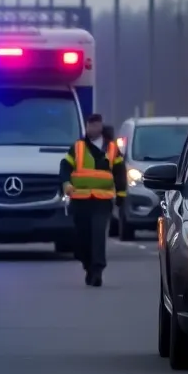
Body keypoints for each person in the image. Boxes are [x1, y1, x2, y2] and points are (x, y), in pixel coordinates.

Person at [60, 114, 127, 286]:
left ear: (101, 127)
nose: (92, 128)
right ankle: (87, 265)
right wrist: (66, 183)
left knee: (98, 235)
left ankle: (97, 270)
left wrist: (121, 195)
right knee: (83, 237)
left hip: (102, 200)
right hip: (80, 199)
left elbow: (120, 172)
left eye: (95, 125)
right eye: (90, 125)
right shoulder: (78, 147)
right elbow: (65, 166)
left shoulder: (111, 148)